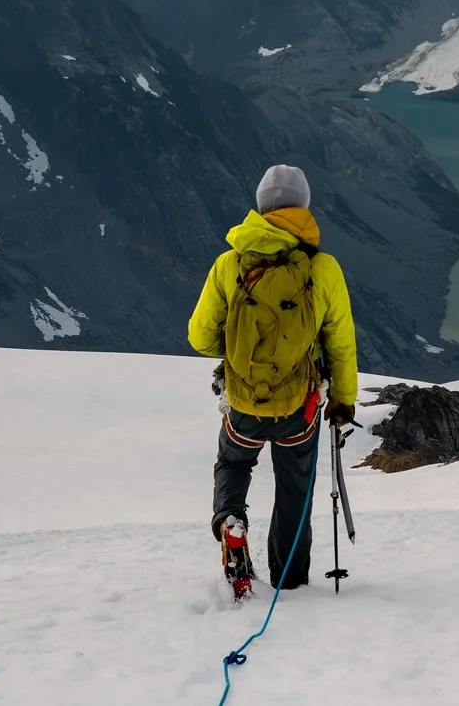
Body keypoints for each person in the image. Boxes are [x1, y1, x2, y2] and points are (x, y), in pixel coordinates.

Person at [187, 162, 358, 594]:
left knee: (234, 462)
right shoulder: (323, 269)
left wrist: (239, 355)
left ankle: (230, 519)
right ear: (304, 206)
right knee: (294, 490)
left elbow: (200, 336)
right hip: (298, 411)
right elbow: (340, 342)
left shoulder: (230, 263)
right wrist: (343, 399)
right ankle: (289, 578)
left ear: (260, 207)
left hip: (243, 403)